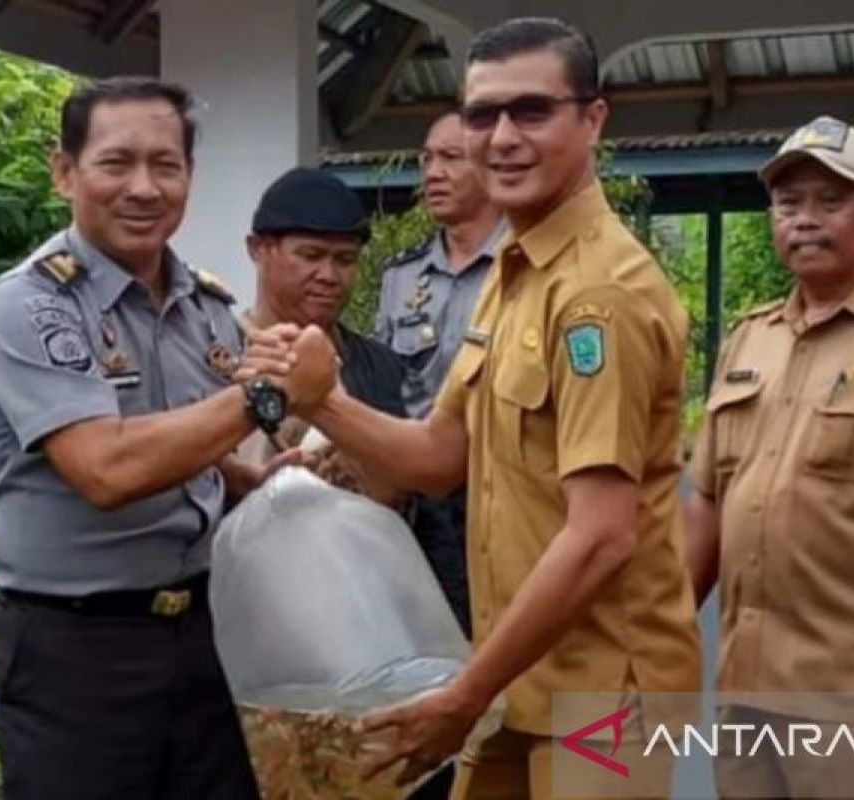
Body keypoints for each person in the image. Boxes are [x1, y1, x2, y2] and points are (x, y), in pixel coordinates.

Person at [240, 18, 701, 798]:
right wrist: (326, 405)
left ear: (592, 119)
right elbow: (441, 457)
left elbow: (601, 535)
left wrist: (463, 693)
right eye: (482, 115)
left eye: (531, 111)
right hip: (514, 676)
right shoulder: (515, 273)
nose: (502, 137)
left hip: (600, 697)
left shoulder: (599, 293)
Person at [0, 76, 333, 799]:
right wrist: (271, 394)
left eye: (165, 165)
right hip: (77, 651)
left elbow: (185, 440)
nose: (143, 187)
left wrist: (246, 479)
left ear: (189, 176)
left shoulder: (206, 306)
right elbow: (105, 467)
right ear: (64, 171)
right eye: (116, 163)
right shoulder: (32, 305)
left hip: (202, 632)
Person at [686, 116, 854, 798]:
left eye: (832, 201)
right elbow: (706, 498)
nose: (806, 220)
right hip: (746, 694)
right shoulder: (747, 341)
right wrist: (665, 634)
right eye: (788, 204)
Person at [375, 109, 506, 635]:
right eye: (427, 159)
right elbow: (386, 387)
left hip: (502, 498)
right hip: (421, 510)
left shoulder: (526, 269)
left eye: (451, 158)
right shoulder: (402, 278)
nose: (432, 172)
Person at [239, 166, 406, 501]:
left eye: (345, 259)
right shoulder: (217, 356)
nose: (329, 275)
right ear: (258, 249)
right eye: (310, 256)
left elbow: (414, 496)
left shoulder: (378, 367)